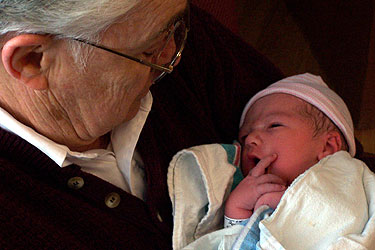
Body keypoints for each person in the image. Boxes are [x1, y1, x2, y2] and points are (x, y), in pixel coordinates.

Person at [0, 1, 285, 249]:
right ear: (32, 60)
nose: (172, 56)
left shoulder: (158, 21)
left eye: (176, 23)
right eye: (147, 51)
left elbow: (314, 129)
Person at [168, 73, 375, 249]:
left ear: (328, 147)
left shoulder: (350, 176)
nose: (250, 139)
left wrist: (288, 204)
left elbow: (347, 219)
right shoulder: (245, 196)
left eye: (274, 125)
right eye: (243, 137)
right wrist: (236, 212)